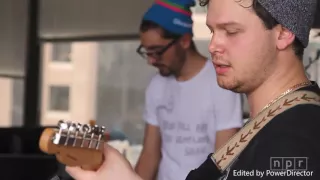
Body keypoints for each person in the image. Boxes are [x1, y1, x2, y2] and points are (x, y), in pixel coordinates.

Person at [66, 0, 320, 179]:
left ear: (284, 33)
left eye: (231, 31)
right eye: (211, 31)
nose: (212, 46)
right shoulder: (269, 126)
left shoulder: (295, 141)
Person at [134, 0, 243, 179]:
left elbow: (224, 162)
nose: (151, 61)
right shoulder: (156, 85)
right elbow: (149, 156)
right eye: (147, 52)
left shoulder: (220, 82)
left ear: (184, 41)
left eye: (157, 51)